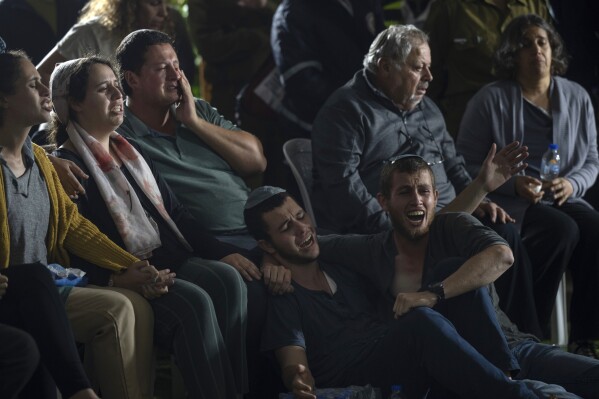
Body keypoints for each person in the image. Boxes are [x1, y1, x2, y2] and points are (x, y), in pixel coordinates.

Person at [310, 24, 559, 336]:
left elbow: (453, 164)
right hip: (403, 225)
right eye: (418, 68)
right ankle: (490, 342)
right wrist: (396, 236)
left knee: (505, 231)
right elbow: (343, 188)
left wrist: (481, 199)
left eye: (429, 67)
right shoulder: (346, 110)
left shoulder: (426, 107)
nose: (429, 77)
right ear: (385, 67)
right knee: (479, 246)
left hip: (449, 215)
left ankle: (520, 337)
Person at [48, 56, 250, 399]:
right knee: (194, 303)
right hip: (130, 273)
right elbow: (72, 243)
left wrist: (228, 252)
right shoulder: (68, 168)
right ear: (75, 104)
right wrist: (116, 278)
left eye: (116, 85)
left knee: (229, 279)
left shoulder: (132, 151)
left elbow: (178, 216)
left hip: (167, 258)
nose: (117, 94)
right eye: (103, 88)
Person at [317, 155, 599, 398]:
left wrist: (433, 293)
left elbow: (502, 255)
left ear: (435, 197)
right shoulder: (371, 250)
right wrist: (273, 262)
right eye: (404, 192)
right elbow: (311, 244)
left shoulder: (454, 225)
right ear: (384, 202)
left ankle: (507, 379)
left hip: (513, 350)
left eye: (423, 191)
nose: (416, 199)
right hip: (460, 370)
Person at [243, 185, 559, 399]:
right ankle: (515, 394)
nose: (302, 229)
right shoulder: (284, 294)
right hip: (362, 375)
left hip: (404, 353)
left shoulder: (343, 266)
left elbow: (416, 243)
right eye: (286, 228)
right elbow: (293, 362)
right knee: (418, 321)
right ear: (266, 245)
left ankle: (502, 372)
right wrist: (298, 379)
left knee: (448, 268)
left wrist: (481, 185)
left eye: (301, 216)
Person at [0, 48, 163, 399]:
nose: (46, 92)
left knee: (133, 305)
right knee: (114, 307)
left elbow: (73, 226)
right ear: (4, 101)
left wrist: (132, 263)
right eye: (33, 84)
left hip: (40, 291)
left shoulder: (39, 162)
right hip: (13, 292)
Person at [456, 14, 599, 358]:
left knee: (594, 228)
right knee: (561, 231)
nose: (536, 49)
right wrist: (512, 184)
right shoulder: (490, 99)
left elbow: (592, 159)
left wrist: (572, 183)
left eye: (542, 42)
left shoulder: (577, 96)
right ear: (511, 55)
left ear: (553, 50)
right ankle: (531, 333)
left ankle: (585, 337)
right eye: (525, 44)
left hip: (564, 197)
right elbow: (464, 162)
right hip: (518, 203)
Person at [424, 0, 550, 138]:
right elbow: (428, 69)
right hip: (466, 122)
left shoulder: (535, 4)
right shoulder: (450, 6)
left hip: (525, 121)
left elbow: (549, 59)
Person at [271, 0, 385, 138]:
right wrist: (363, 103)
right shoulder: (292, 13)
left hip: (365, 125)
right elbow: (303, 85)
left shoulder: (360, 3)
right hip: (317, 133)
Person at [36, 0, 195, 86]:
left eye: (165, 4)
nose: (164, 13)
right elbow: (41, 75)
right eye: (154, 3)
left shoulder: (162, 35)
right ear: (129, 5)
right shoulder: (91, 33)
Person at [188, 0, 276, 121]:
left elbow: (290, 20)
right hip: (230, 90)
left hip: (274, 86)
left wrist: (264, 6)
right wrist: (258, 38)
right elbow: (208, 45)